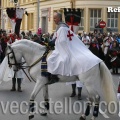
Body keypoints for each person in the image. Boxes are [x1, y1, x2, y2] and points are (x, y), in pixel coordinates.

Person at [47, 12, 102, 84]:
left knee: (51, 59)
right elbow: (57, 38)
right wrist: (51, 42)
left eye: (55, 18)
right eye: (53, 18)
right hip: (62, 48)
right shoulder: (60, 27)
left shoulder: (62, 28)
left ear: (59, 18)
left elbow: (62, 41)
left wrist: (54, 42)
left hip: (64, 49)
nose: (53, 20)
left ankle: (54, 77)